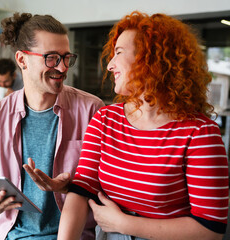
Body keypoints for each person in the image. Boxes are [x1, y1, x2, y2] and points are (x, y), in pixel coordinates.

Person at [57, 11, 229, 240]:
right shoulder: (105, 119)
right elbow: (82, 187)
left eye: (118, 53)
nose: (110, 65)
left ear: (150, 58)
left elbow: (211, 230)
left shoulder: (200, 133)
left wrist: (125, 224)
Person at [0, 12, 105, 240]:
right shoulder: (0, 112)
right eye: (52, 58)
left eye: (66, 58)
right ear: (22, 60)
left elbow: (110, 188)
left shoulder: (92, 109)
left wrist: (69, 186)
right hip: (12, 234)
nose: (63, 68)